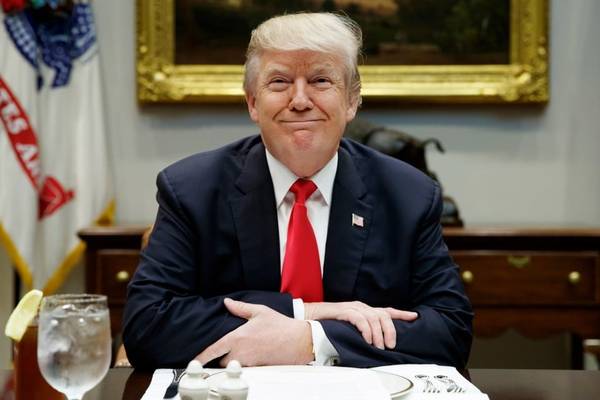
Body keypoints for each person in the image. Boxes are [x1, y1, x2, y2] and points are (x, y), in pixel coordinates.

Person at [122, 12, 472, 370]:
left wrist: (312, 339)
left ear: (351, 101)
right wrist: (305, 312)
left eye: (320, 80)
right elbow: (147, 327)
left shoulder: (408, 195)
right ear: (252, 102)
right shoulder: (192, 190)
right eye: (279, 82)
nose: (300, 100)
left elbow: (450, 330)